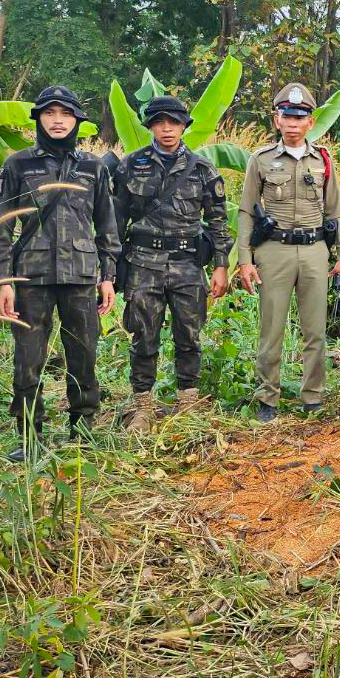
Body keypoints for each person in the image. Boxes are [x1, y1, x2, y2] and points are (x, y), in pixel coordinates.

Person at [0, 86, 120, 462]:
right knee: (28, 358)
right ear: (39, 119)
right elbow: (0, 229)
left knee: (84, 355)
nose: (57, 120)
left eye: (65, 114)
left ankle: (83, 431)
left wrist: (107, 276)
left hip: (80, 276)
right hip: (31, 276)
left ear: (78, 120)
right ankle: (30, 437)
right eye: (49, 113)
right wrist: (4, 280)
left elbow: (107, 226)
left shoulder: (93, 166)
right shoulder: (18, 165)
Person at [113, 95, 232, 428]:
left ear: (184, 126)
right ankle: (143, 406)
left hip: (186, 264)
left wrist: (220, 265)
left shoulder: (203, 169)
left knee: (189, 336)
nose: (167, 129)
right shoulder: (130, 165)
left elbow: (218, 221)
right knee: (143, 336)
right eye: (160, 122)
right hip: (143, 264)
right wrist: (109, 268)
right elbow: (115, 220)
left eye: (174, 122)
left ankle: (187, 402)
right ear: (150, 125)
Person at [237, 83, 340, 422]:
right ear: (277, 120)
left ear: (310, 122)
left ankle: (313, 397)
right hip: (275, 250)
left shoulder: (324, 161)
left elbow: (335, 212)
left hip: (315, 250)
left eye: (299, 118)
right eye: (286, 116)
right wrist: (245, 260)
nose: (292, 123)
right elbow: (246, 211)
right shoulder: (260, 160)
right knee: (271, 329)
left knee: (314, 329)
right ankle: (267, 398)